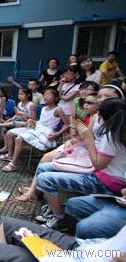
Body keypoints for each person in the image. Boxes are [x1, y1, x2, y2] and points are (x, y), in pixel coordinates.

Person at [36, 98, 126, 230]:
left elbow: (98, 165)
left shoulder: (112, 135)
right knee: (43, 168)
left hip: (104, 182)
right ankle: (53, 209)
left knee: (44, 179)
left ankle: (58, 219)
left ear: (102, 116)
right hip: (100, 173)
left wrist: (88, 137)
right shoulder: (117, 131)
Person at [15, 86, 114, 203]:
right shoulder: (95, 116)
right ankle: (35, 190)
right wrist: (75, 137)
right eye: (98, 97)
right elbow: (86, 136)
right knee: (44, 159)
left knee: (47, 159)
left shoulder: (113, 125)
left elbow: (90, 140)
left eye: (91, 102)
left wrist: (74, 139)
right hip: (83, 146)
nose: (86, 104)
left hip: (90, 154)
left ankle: (37, 191)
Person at [0, 217, 126, 262]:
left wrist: (46, 250)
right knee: (8, 224)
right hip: (88, 248)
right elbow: (114, 253)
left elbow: (117, 258)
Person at [0, 88, 69, 172]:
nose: (45, 96)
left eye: (49, 94)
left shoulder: (58, 110)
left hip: (46, 132)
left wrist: (56, 134)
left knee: (19, 138)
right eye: (45, 94)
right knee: (9, 133)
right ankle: (10, 155)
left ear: (56, 98)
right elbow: (40, 122)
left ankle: (13, 164)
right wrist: (32, 121)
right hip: (37, 128)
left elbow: (67, 124)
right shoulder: (44, 108)